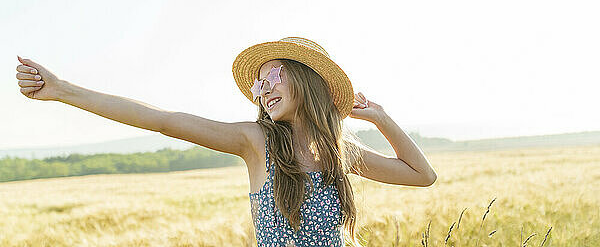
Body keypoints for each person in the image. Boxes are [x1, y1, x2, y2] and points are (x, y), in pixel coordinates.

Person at [15, 36, 437, 247]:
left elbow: (423, 176)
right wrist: (62, 90)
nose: (262, 87)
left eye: (273, 74)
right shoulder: (256, 142)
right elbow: (161, 120)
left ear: (307, 80)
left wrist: (381, 117)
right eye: (258, 81)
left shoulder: (341, 153)